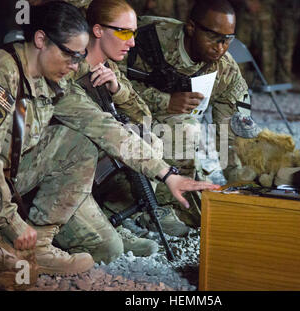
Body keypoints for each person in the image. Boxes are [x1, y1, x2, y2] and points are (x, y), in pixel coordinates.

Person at [51, 0, 220, 259]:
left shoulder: (110, 67)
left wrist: (117, 90)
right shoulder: (71, 68)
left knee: (149, 138)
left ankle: (114, 214)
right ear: (97, 30)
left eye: (134, 33)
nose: (131, 42)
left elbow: (144, 116)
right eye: (124, 32)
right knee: (109, 249)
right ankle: (85, 221)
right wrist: (167, 174)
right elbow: (104, 129)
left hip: (95, 156)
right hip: (62, 167)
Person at [0, 1, 96, 290]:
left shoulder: (42, 74)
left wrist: (164, 172)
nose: (74, 66)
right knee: (21, 274)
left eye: (80, 57)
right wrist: (11, 222)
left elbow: (98, 123)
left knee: (77, 145)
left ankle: (37, 245)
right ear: (41, 40)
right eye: (69, 55)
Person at [119, 0, 255, 229]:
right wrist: (165, 101)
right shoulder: (145, 38)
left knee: (203, 215)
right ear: (191, 28)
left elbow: (229, 133)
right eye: (214, 37)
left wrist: (240, 184)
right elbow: (105, 81)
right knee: (184, 130)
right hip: (122, 117)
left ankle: (169, 202)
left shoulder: (226, 70)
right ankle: (141, 206)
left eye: (228, 39)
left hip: (166, 127)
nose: (221, 47)